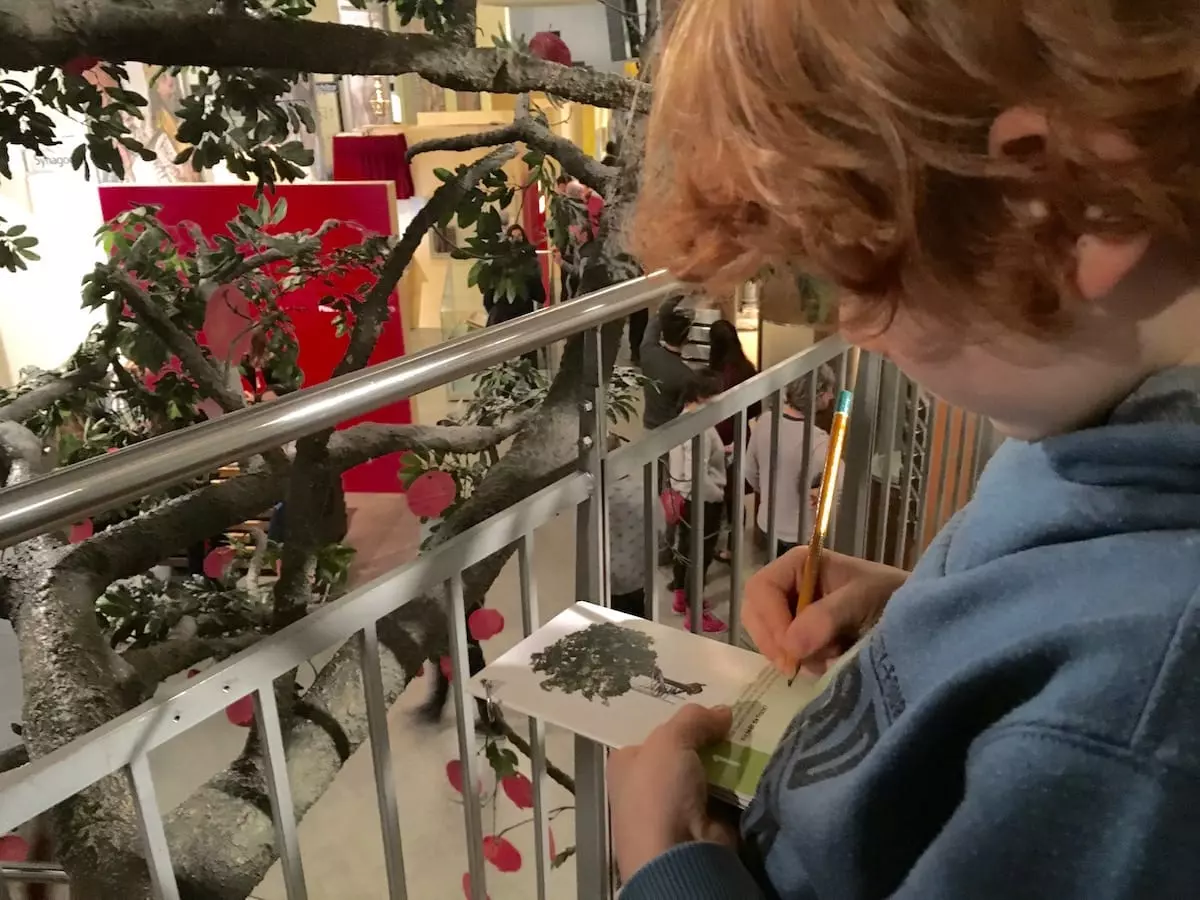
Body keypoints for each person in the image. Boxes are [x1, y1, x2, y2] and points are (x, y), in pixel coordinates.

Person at [609, 2, 1200, 898]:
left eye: (862, 266)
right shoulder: (1093, 427)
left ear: (1064, 206)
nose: (855, 328)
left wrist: (668, 864)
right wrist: (934, 606)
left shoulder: (1139, 728)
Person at [744, 364, 837, 558]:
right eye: (829, 391)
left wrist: (769, 493)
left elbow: (750, 472)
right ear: (817, 394)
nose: (831, 396)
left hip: (767, 521)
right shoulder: (819, 441)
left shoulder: (766, 421)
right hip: (800, 532)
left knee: (773, 576)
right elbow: (829, 495)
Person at [667, 371, 728, 634]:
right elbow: (697, 473)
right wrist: (717, 493)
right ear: (702, 397)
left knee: (684, 548)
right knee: (699, 557)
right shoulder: (700, 428)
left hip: (682, 498)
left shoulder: (682, 419)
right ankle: (694, 615)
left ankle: (680, 597)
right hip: (702, 500)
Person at [706, 318, 761, 562]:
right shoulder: (747, 367)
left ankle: (712, 546)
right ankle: (733, 547)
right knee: (736, 499)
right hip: (742, 439)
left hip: (719, 441)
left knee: (716, 495)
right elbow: (756, 408)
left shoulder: (717, 376)